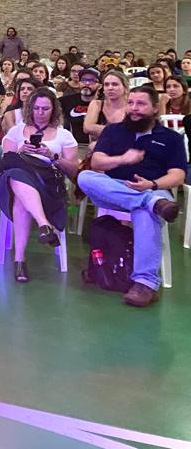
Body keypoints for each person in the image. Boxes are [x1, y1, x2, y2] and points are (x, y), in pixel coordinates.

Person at [77, 87, 184, 307]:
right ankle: (151, 203)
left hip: (154, 187)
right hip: (114, 189)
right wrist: (123, 159)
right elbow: (97, 162)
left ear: (155, 108)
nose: (134, 109)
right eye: (131, 103)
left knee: (145, 212)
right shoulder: (114, 131)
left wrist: (152, 185)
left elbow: (178, 175)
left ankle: (145, 284)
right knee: (86, 177)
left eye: (141, 104)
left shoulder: (170, 138)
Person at [0, 88, 80, 282]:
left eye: (45, 108)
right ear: (30, 109)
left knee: (20, 194)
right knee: (17, 175)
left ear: (54, 110)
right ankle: (44, 225)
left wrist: (53, 156)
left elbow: (74, 170)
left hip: (48, 185)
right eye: (36, 108)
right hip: (18, 178)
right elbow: (5, 161)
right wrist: (20, 149)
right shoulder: (17, 130)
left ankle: (20, 261)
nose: (40, 112)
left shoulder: (64, 135)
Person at [84, 70, 129, 147]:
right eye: (106, 84)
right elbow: (87, 127)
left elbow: (135, 133)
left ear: (125, 88)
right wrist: (121, 132)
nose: (110, 88)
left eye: (115, 84)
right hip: (98, 152)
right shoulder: (96, 104)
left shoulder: (132, 107)